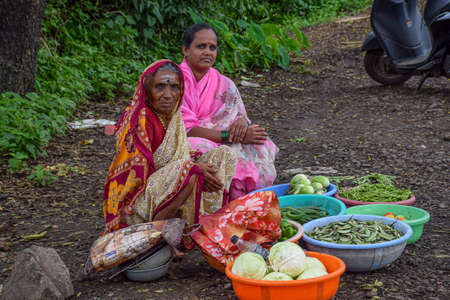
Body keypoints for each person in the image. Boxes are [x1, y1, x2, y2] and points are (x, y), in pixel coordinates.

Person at [102, 59, 237, 233]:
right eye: (160, 87)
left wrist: (197, 167)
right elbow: (137, 175)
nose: (168, 95)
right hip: (138, 201)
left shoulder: (173, 114)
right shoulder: (140, 119)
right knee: (187, 170)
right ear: (147, 90)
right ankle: (158, 235)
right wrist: (193, 169)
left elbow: (178, 153)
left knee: (224, 155)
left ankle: (199, 226)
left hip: (173, 181)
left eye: (174, 87)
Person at [179, 23, 279, 200]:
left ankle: (245, 200)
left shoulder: (224, 82)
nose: (208, 52)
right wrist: (231, 136)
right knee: (201, 147)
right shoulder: (174, 81)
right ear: (185, 50)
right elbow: (187, 130)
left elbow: (239, 114)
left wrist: (242, 123)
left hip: (225, 137)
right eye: (201, 46)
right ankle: (220, 201)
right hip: (192, 140)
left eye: (212, 47)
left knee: (259, 142)